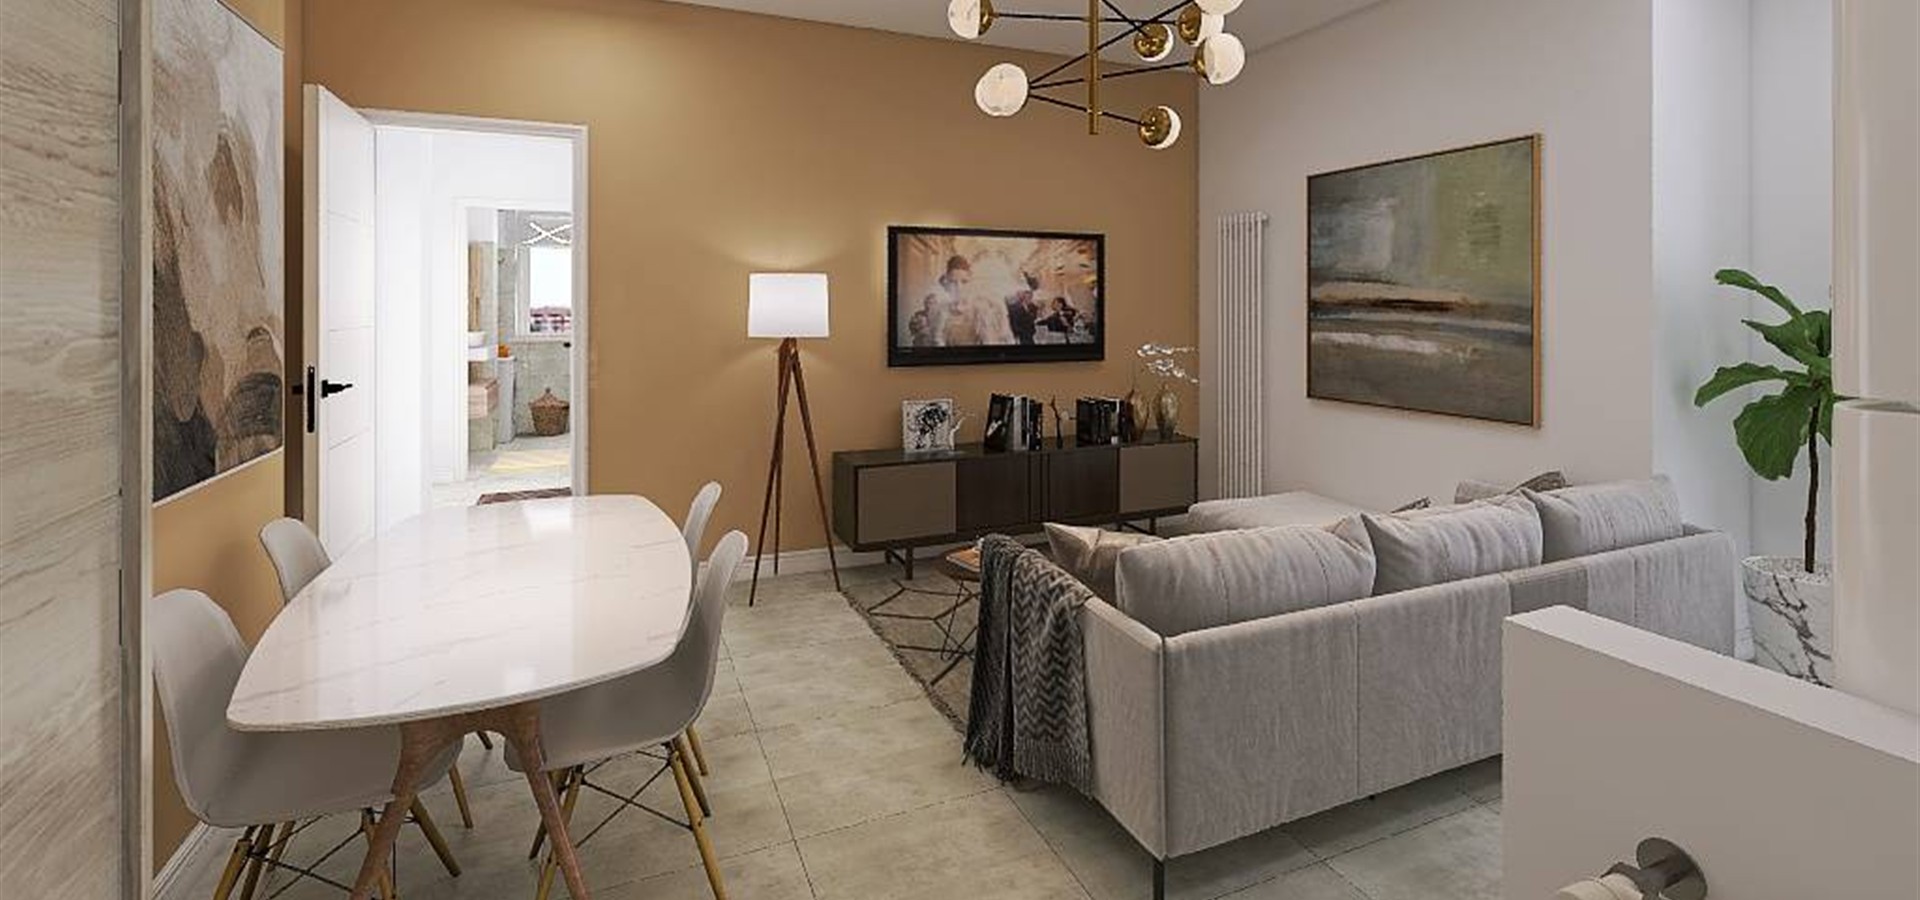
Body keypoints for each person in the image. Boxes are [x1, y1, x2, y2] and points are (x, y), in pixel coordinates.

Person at [1006, 272, 1040, 345]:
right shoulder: (1013, 307)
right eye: (1026, 293)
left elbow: (1032, 320)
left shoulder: (1033, 307)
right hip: (1019, 336)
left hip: (1029, 336)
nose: (1028, 295)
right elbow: (1013, 323)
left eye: (1030, 293)